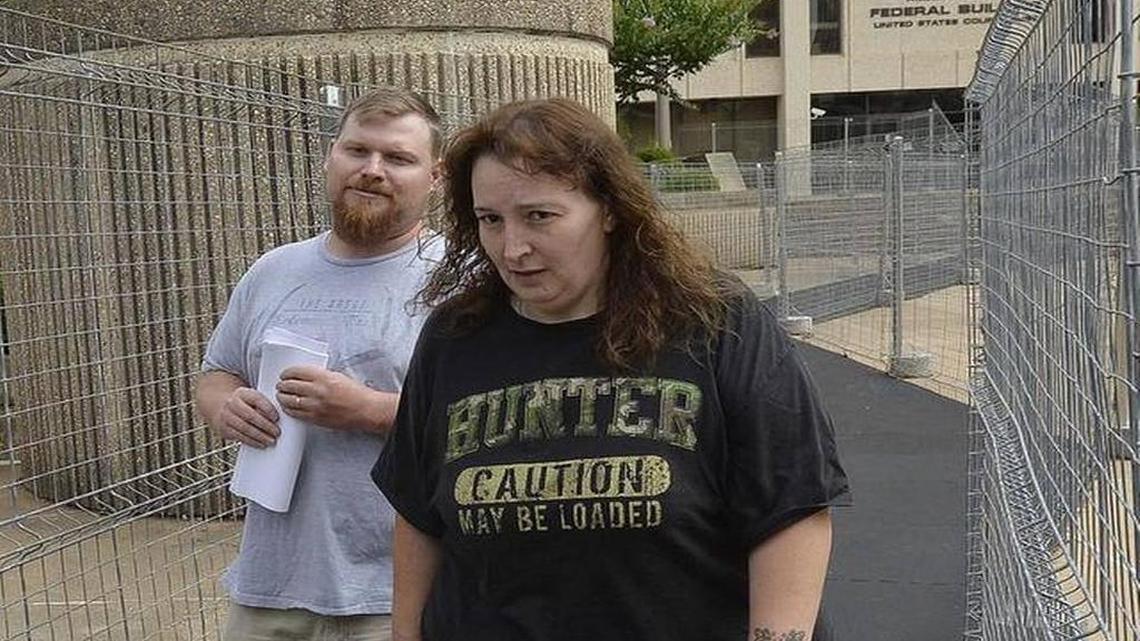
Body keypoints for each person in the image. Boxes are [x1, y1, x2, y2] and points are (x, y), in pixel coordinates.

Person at [372, 98, 850, 641]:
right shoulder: (454, 337)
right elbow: (419, 515)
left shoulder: (712, 320)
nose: (513, 247)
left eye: (539, 216)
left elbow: (790, 505)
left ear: (610, 208)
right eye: (490, 220)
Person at [195, 86, 443, 641]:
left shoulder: (458, 280)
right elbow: (217, 373)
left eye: (399, 158)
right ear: (331, 156)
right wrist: (225, 407)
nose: (372, 170)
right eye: (357, 151)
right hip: (269, 586)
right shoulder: (273, 270)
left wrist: (370, 410)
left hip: (394, 596)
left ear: (436, 176)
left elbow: (484, 419)